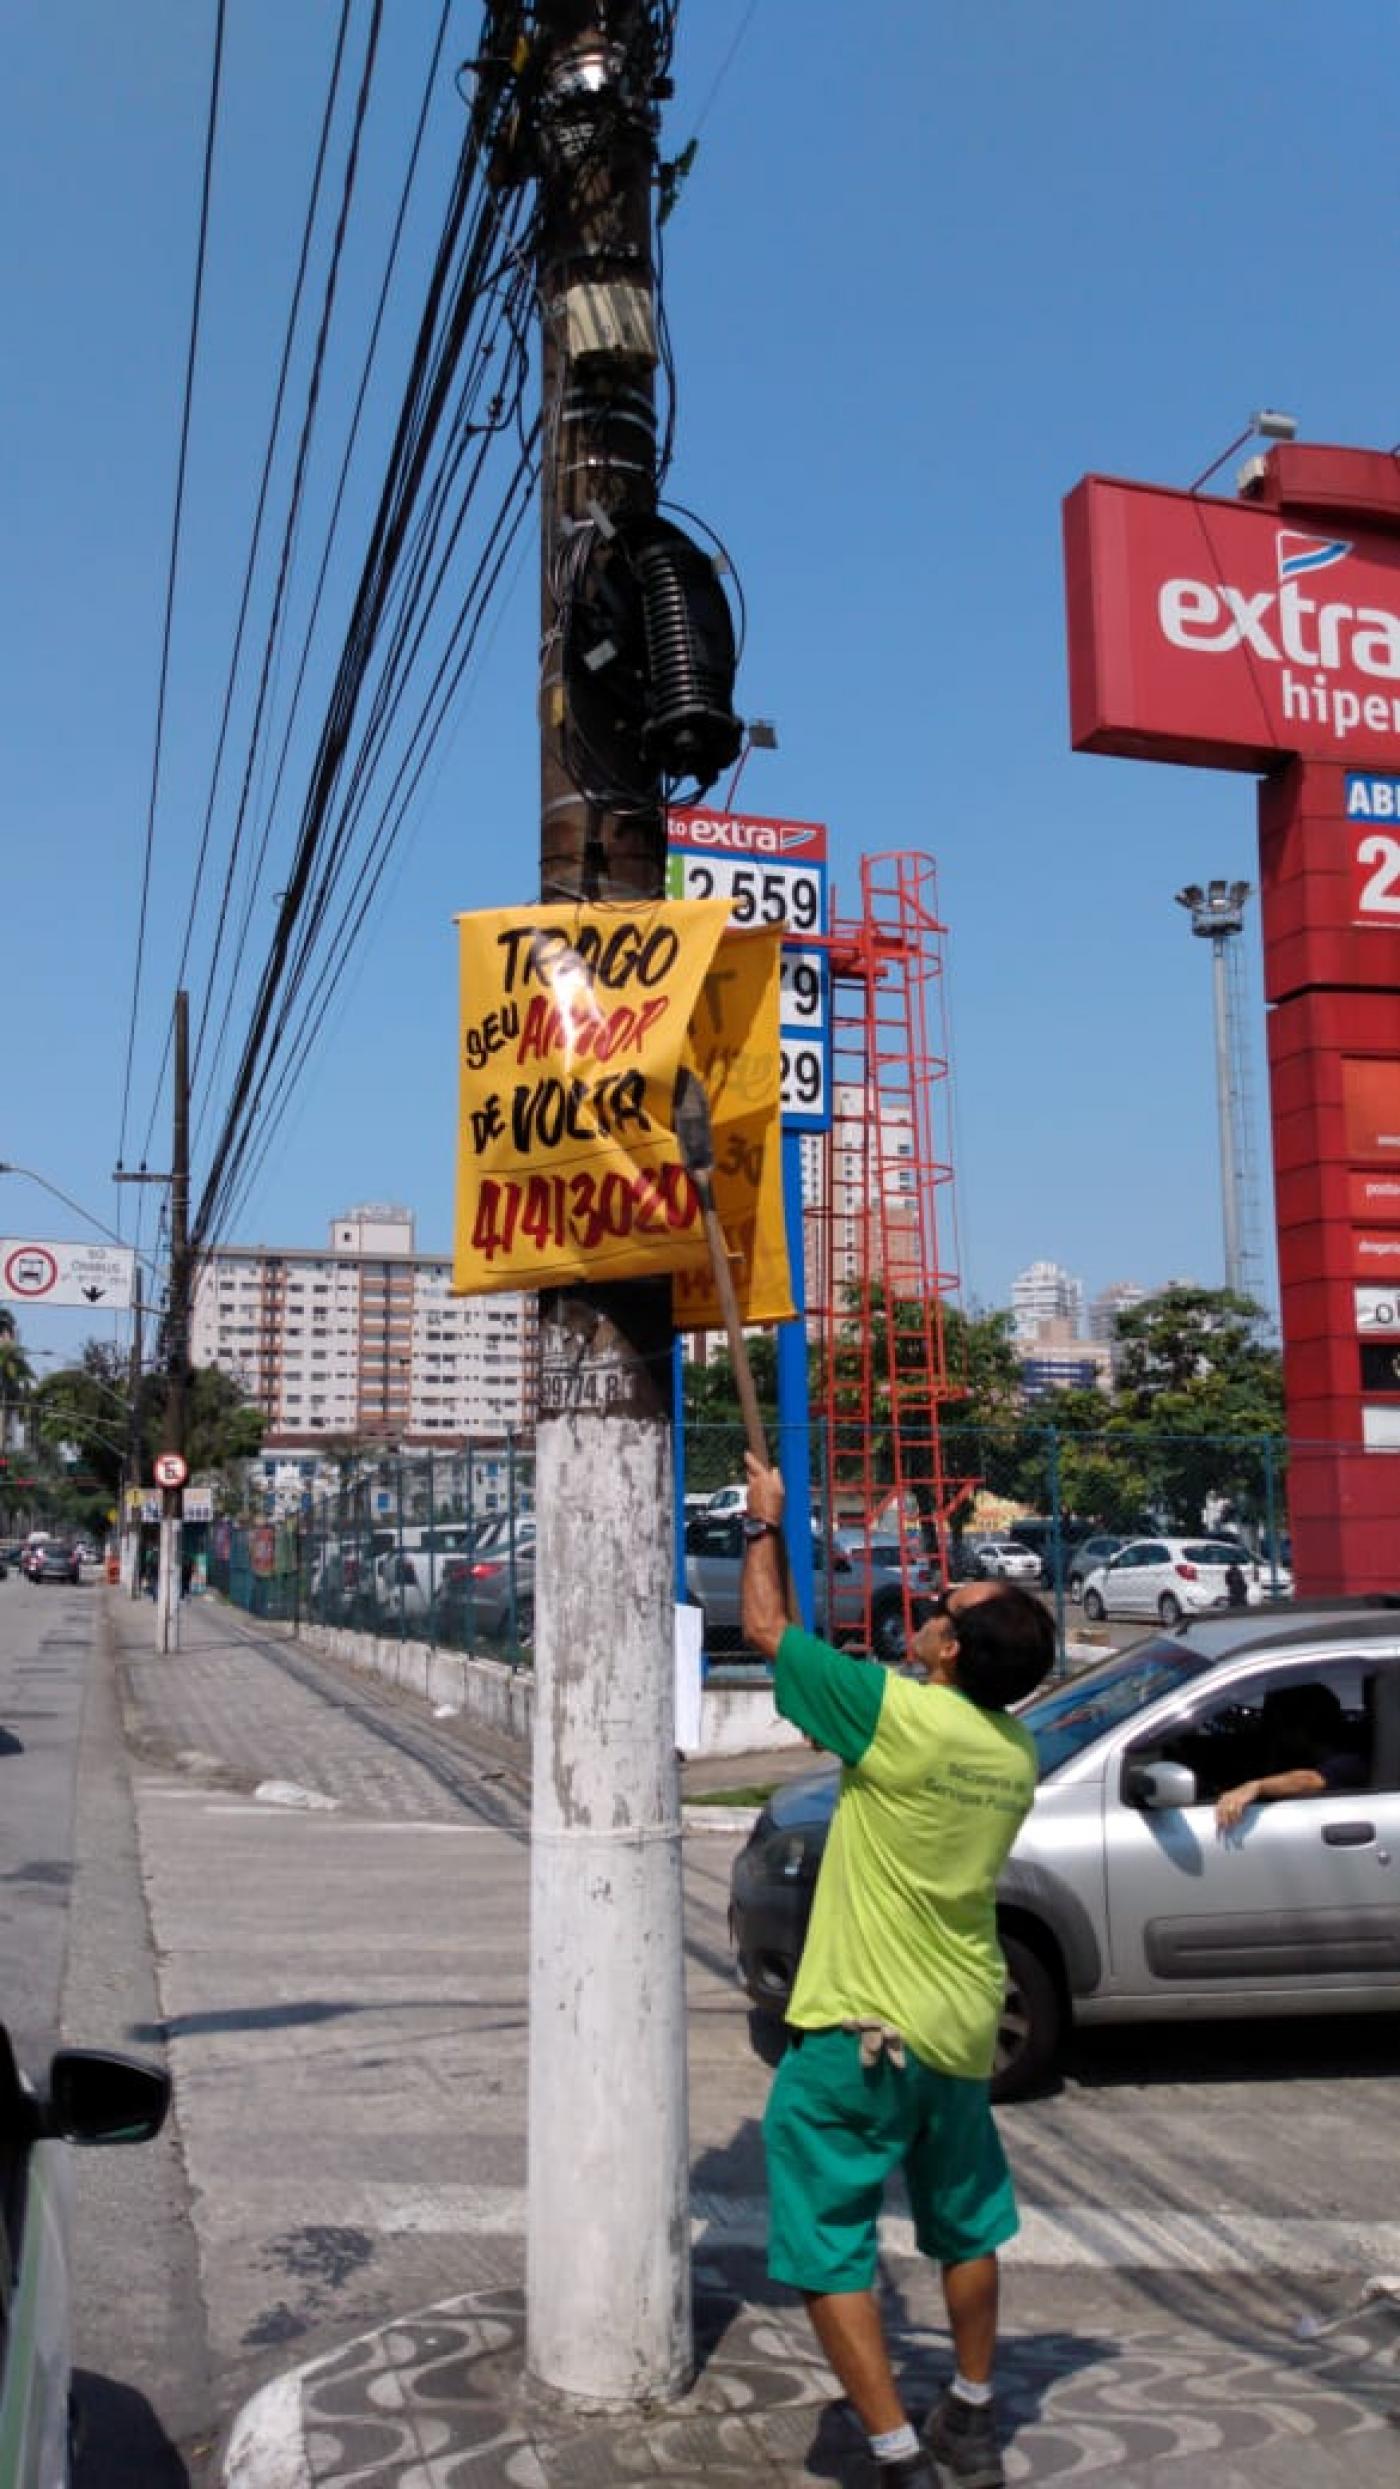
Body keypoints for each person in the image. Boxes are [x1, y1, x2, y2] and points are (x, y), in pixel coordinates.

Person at [740, 1452, 1056, 2489]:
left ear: (951, 1648)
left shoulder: (896, 1717)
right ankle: (968, 2408)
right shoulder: (1010, 1752)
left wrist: (763, 1524)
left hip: (857, 2033)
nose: (931, 1601)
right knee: (963, 2221)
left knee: (826, 2244)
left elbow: (765, 1635)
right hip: (960, 2028)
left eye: (947, 1603)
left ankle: (892, 2454)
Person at [1214, 1681, 1365, 1829]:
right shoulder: (1289, 1754)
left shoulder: (1347, 1759)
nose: (1272, 1729)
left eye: (1277, 1720)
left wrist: (1256, 1787)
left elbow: (1313, 1780)